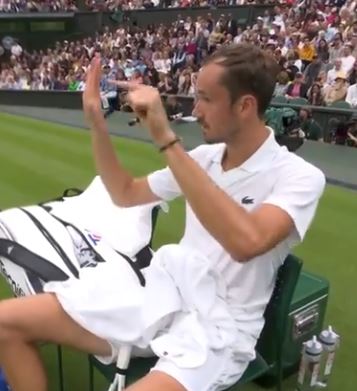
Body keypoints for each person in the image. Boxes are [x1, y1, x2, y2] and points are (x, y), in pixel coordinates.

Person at [0, 44, 325, 391]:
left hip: (217, 332)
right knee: (5, 323)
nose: (195, 110)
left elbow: (246, 243)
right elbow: (124, 192)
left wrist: (166, 139)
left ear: (245, 106)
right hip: (161, 293)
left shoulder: (299, 177)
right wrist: (96, 121)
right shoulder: (204, 159)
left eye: (205, 99)